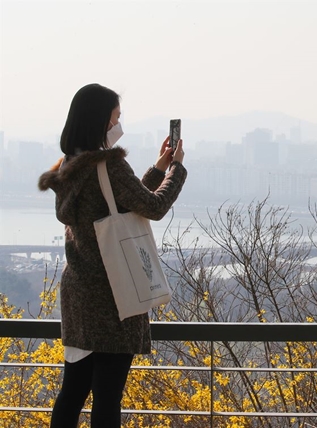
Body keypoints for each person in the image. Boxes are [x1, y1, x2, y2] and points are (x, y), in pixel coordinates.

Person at [38, 83, 187, 427]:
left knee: (73, 391)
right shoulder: (110, 166)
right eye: (116, 117)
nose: (119, 124)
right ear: (101, 122)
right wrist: (176, 169)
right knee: (108, 397)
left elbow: (115, 205)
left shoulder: (69, 168)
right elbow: (153, 206)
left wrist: (157, 168)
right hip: (114, 296)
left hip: (79, 295)